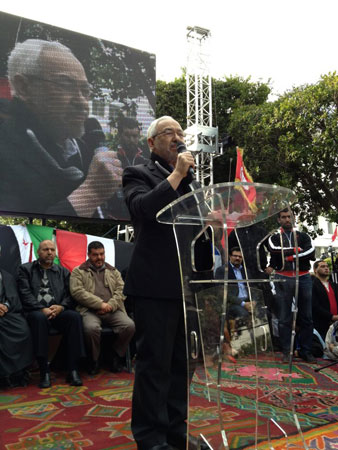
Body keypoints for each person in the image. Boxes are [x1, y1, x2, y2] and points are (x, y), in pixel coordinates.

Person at [123, 116, 206, 450]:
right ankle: (151, 439)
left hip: (186, 288)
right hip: (153, 287)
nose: (178, 138)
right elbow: (143, 208)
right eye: (170, 132)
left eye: (181, 133)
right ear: (151, 142)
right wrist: (177, 175)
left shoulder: (190, 182)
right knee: (153, 367)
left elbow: (197, 228)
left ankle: (176, 435)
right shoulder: (137, 174)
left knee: (180, 369)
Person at [0, 39, 122, 217]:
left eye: (85, 90)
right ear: (24, 87)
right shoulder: (6, 150)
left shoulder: (83, 148)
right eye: (66, 85)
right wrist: (90, 194)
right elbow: (19, 235)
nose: (81, 101)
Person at [18, 240, 86, 388]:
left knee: (74, 317)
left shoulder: (63, 272)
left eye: (52, 250)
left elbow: (71, 295)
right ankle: (44, 370)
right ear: (38, 252)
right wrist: (41, 308)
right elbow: (24, 293)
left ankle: (73, 369)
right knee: (39, 318)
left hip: (58, 311)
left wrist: (61, 307)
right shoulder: (25, 270)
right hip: (36, 312)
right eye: (46, 249)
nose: (49, 252)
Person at [69, 241, 135, 375]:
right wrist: (100, 304)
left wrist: (110, 305)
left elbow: (122, 290)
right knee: (91, 329)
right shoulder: (78, 271)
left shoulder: (113, 271)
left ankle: (115, 355)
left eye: (101, 254)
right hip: (89, 311)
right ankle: (94, 359)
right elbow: (77, 292)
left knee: (129, 326)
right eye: (95, 255)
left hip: (113, 310)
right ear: (88, 255)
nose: (99, 257)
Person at [266, 209, 316, 363]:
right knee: (283, 318)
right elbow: (273, 250)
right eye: (283, 217)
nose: (287, 219)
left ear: (294, 218)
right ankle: (287, 351)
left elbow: (311, 252)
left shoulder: (303, 236)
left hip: (303, 277)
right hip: (283, 278)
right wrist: (297, 250)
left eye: (289, 217)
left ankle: (306, 351)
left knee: (306, 316)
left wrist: (290, 256)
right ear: (279, 220)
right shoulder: (274, 237)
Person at [0, 246, 33, 387]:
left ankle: (18, 373)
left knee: (22, 330)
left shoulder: (6, 275)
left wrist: (6, 305)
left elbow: (13, 296)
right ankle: (3, 375)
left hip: (7, 312)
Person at [215, 247, 255, 325]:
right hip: (233, 303)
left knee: (266, 313)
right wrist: (243, 304)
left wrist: (254, 302)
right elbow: (222, 292)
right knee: (244, 315)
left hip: (248, 302)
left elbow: (253, 288)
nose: (237, 258)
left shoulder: (246, 271)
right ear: (230, 256)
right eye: (235, 256)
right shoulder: (222, 270)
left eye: (240, 257)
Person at [312, 260, 338, 340]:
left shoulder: (333, 285)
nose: (326, 268)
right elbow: (314, 305)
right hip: (321, 323)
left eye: (327, 266)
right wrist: (331, 317)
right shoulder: (312, 285)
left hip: (336, 323)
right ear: (315, 270)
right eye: (322, 266)